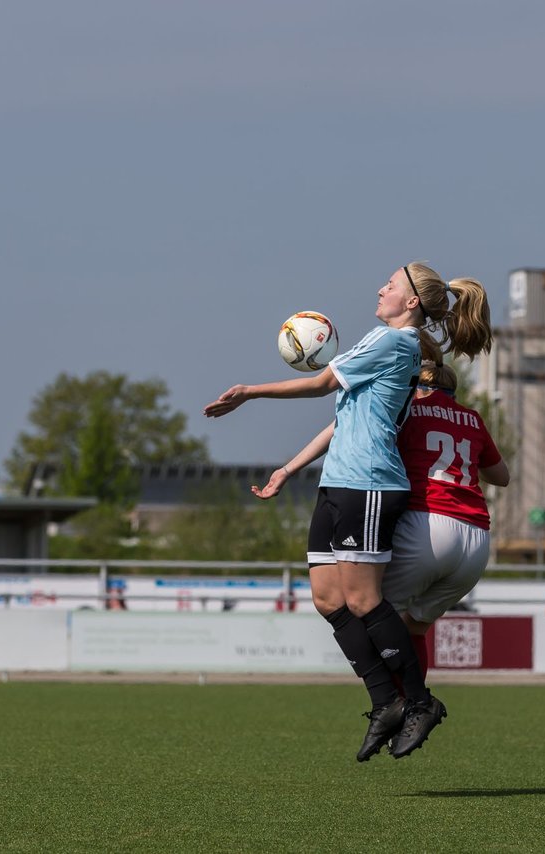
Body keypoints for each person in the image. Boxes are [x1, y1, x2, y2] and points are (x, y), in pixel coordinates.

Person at [204, 263, 493, 760]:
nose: (381, 288)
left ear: (410, 303)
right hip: (337, 482)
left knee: (363, 601)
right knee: (326, 598)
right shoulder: (378, 342)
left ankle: (418, 703)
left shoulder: (397, 344)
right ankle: (386, 702)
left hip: (370, 483)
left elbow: (320, 385)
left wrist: (249, 392)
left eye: (392, 285)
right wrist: (288, 470)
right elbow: (341, 419)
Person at [254, 360, 509, 759]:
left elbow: (356, 433)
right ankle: (407, 707)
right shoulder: (472, 419)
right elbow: (501, 475)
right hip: (475, 539)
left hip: (427, 527)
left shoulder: (404, 407)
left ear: (415, 385)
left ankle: (402, 705)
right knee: (414, 629)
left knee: (361, 608)